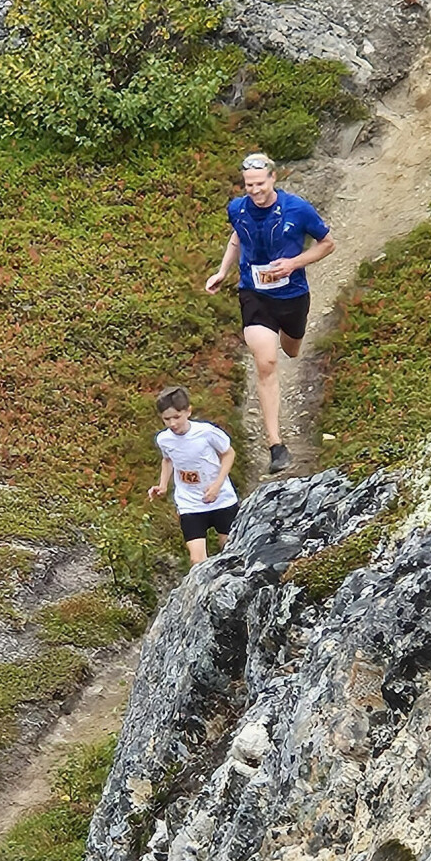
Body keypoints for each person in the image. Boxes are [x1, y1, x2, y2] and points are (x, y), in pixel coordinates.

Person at [205, 152, 335, 474]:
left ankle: (292, 339)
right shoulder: (237, 208)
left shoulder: (297, 209)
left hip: (292, 295)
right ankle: (276, 446)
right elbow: (237, 237)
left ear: (273, 178)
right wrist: (222, 271)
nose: (254, 191)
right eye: (249, 185)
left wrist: (293, 263)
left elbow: (327, 244)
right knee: (266, 362)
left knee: (291, 350)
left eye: (260, 184)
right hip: (254, 294)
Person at [148, 385, 239, 566]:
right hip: (190, 503)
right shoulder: (164, 439)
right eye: (167, 419)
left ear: (188, 411)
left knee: (230, 550)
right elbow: (167, 460)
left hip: (221, 499)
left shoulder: (206, 432)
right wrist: (163, 485)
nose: (173, 424)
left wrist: (217, 485)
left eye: (177, 417)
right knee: (197, 561)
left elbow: (229, 453)